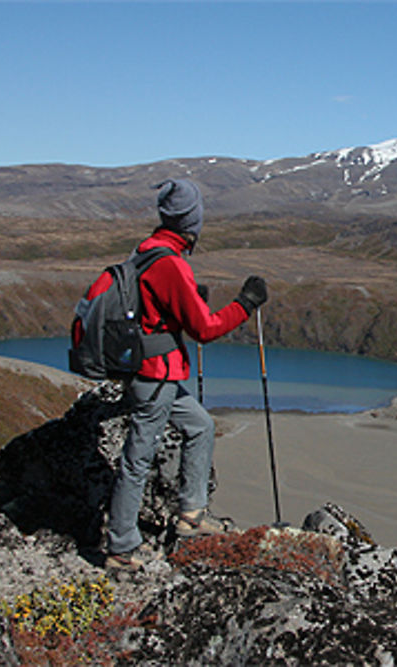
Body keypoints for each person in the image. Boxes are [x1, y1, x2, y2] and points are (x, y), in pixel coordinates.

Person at [105, 178, 267, 570]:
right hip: (155, 375)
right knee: (138, 457)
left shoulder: (146, 251)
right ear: (191, 220)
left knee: (200, 426)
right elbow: (205, 330)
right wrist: (244, 304)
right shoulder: (169, 263)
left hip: (149, 370)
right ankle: (121, 547)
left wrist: (189, 300)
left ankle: (191, 514)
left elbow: (155, 309)